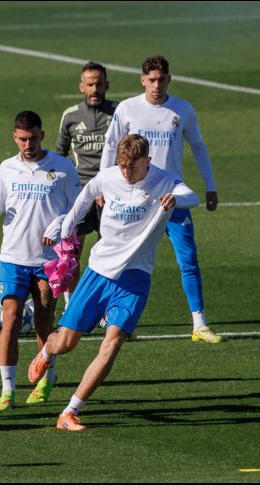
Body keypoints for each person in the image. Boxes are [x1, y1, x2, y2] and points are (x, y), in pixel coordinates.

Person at [29, 134, 199, 431]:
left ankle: (69, 411)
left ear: (148, 162)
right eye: (122, 166)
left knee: (113, 342)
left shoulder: (165, 180)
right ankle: (46, 352)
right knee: (65, 344)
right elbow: (81, 202)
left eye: (131, 167)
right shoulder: (107, 177)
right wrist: (64, 231)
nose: (125, 173)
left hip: (135, 279)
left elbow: (193, 197)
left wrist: (176, 198)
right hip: (98, 272)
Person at [100, 55, 220, 343]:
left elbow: (199, 146)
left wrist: (210, 185)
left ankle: (199, 324)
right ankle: (119, 322)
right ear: (143, 80)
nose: (156, 85)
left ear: (169, 79)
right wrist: (105, 187)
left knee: (188, 259)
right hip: (135, 200)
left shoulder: (182, 109)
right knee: (123, 260)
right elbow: (110, 146)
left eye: (161, 79)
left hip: (172, 197)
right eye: (151, 80)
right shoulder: (128, 109)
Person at [0, 111, 80, 412]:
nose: (27, 144)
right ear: (14, 137)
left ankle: (48, 377)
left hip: (48, 260)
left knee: (44, 320)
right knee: (11, 318)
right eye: (21, 139)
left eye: (32, 138)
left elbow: (76, 210)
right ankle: (8, 390)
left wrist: (58, 227)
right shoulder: (7, 168)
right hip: (13, 257)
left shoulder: (62, 167)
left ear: (42, 135)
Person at [55, 61, 117, 308]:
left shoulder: (119, 112)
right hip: (80, 192)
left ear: (107, 85)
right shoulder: (70, 116)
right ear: (81, 86)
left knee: (109, 253)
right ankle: (71, 306)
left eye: (99, 84)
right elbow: (59, 156)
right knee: (72, 252)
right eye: (90, 84)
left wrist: (107, 185)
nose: (94, 89)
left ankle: (105, 307)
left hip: (111, 193)